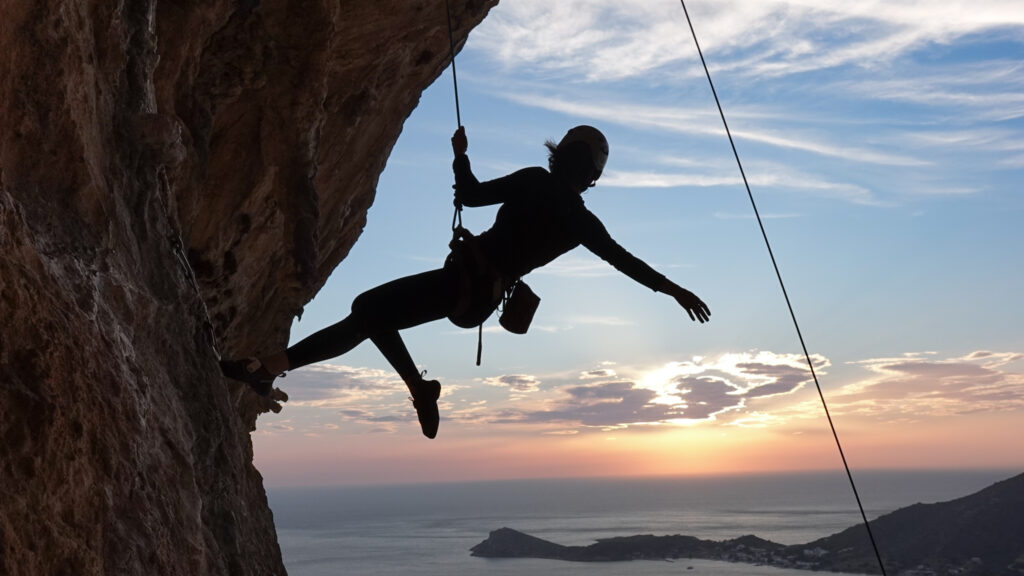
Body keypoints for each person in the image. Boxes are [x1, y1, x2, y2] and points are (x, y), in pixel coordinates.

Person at [220, 125, 710, 439]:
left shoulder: (535, 180)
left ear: (561, 155)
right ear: (592, 176)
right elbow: (626, 262)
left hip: (466, 280)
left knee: (369, 309)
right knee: (370, 315)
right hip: (479, 296)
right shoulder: (580, 221)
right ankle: (274, 368)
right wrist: (674, 291)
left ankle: (413, 388)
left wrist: (460, 154)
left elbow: (470, 196)